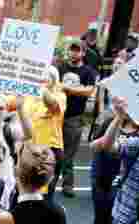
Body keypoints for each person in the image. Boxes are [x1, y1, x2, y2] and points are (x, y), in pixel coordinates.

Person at [89, 113, 139, 224]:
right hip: (103, 180)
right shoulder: (110, 122)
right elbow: (94, 146)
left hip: (127, 187)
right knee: (102, 222)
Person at [15, 67, 66, 197]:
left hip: (48, 151)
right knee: (24, 191)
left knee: (44, 196)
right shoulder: (29, 96)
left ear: (55, 80)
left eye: (47, 76)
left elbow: (53, 105)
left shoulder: (60, 96)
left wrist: (41, 88)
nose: (43, 78)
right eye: (40, 75)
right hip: (29, 149)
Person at [56, 40, 98, 197]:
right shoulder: (60, 67)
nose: (74, 53)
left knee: (68, 155)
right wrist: (75, 89)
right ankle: (49, 183)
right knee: (52, 152)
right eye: (72, 50)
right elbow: (52, 84)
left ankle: (68, 185)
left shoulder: (88, 71)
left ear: (83, 53)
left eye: (77, 50)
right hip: (56, 116)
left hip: (74, 118)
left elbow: (88, 91)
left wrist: (66, 88)